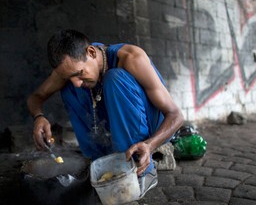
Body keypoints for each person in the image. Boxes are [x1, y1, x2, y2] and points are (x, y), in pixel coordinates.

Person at [27, 29, 184, 198]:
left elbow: (176, 115)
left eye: (80, 74)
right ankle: (99, 160)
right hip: (116, 127)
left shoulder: (131, 58)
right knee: (69, 89)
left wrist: (150, 145)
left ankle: (142, 171)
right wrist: (39, 117)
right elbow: (35, 97)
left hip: (152, 127)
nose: (78, 83)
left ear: (91, 52)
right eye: (70, 76)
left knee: (114, 79)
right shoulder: (70, 68)